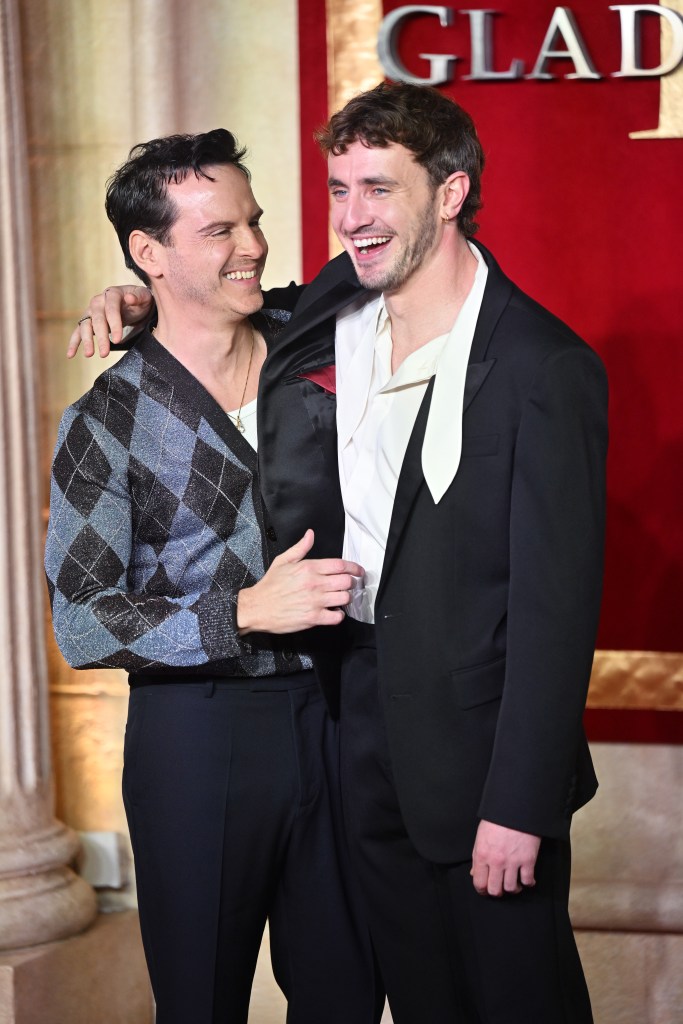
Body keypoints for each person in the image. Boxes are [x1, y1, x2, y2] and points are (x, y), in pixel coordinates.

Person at [72, 83, 608, 1024]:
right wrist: (139, 299)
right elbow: (82, 616)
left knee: (446, 1000)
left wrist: (520, 801)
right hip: (277, 737)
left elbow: (557, 612)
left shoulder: (508, 358)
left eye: (377, 190)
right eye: (337, 190)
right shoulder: (284, 335)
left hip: (412, 742)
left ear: (447, 193)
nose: (348, 219)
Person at [45, 129, 382, 1024]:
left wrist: (153, 297)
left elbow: (441, 260)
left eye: (254, 221)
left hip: (342, 716)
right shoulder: (103, 423)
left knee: (349, 996)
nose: (255, 246)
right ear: (147, 254)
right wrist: (241, 611)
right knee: (200, 1003)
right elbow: (81, 622)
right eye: (218, 231)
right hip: (201, 739)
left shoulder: (313, 335)